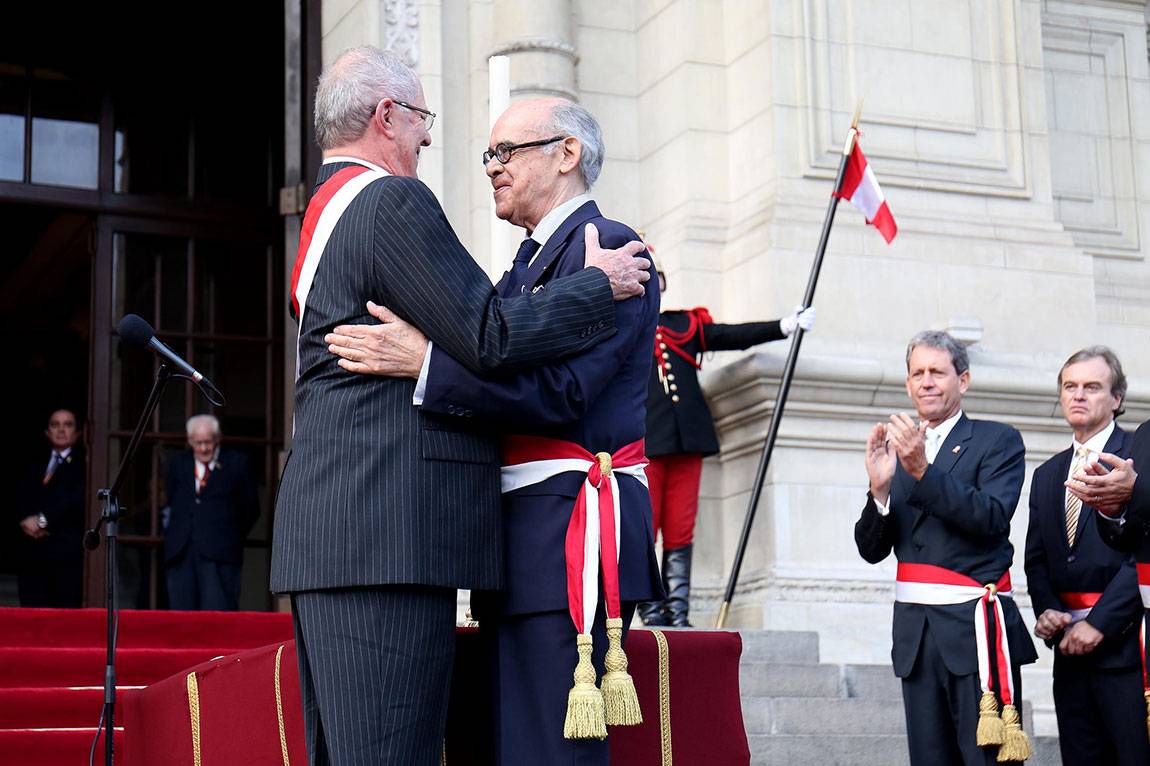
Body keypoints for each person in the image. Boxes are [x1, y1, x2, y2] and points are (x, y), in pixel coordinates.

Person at [270, 47, 651, 766]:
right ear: (386, 116)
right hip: (385, 535)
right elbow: (489, 333)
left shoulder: (329, 212)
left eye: (507, 149)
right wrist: (594, 287)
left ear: (568, 154)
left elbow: (532, 369)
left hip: (355, 528)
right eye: (422, 119)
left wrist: (427, 363)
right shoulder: (390, 200)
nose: (434, 140)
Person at [853, 330, 1037, 765]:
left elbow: (992, 517)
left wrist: (922, 472)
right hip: (916, 637)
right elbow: (872, 551)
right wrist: (878, 491)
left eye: (937, 372)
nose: (926, 382)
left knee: (985, 759)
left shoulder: (998, 441)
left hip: (975, 633)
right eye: (917, 373)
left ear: (964, 381)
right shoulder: (897, 451)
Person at [639, 262, 815, 627]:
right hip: (645, 445)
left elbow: (731, 335)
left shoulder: (682, 325)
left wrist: (783, 326)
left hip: (688, 440)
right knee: (645, 528)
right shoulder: (621, 329)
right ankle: (650, 609)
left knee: (680, 529)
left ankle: (677, 611)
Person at [1022, 347, 1147, 765]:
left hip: (1130, 650)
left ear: (1116, 398)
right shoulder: (1046, 474)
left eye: (1092, 387)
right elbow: (1037, 560)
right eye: (1069, 386)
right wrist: (1048, 611)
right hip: (1070, 656)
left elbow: (1146, 552)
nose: (1078, 395)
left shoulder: (1140, 456)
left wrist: (1100, 623)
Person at [164, 414, 259, 611]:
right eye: (198, 443)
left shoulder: (237, 463)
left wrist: (229, 534)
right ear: (190, 441)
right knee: (181, 620)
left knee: (219, 616)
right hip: (183, 551)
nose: (204, 448)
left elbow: (250, 508)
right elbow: (172, 499)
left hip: (221, 554)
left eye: (208, 442)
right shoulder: (178, 464)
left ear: (217, 439)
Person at [16, 408, 86, 607]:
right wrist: (25, 519)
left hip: (65, 555)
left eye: (68, 424)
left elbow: (76, 499)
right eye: (55, 425)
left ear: (78, 433)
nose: (61, 430)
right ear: (47, 432)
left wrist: (42, 520)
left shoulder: (86, 464)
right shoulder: (34, 463)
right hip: (33, 554)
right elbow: (21, 495)